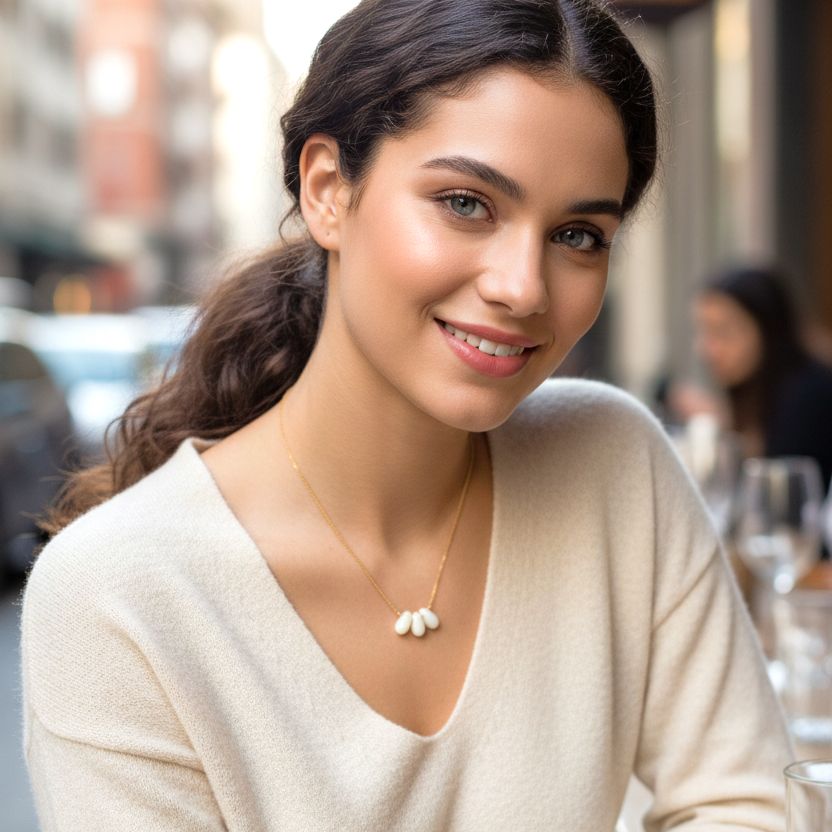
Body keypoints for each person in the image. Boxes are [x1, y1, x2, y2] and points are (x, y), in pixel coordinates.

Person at [20, 2, 792, 829]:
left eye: (578, 234)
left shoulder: (612, 461)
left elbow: (749, 805)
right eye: (466, 203)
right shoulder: (117, 594)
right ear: (327, 190)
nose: (523, 287)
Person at [694, 265, 832, 493]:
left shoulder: (807, 396)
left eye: (723, 332)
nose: (707, 350)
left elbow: (780, 499)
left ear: (768, 331)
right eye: (704, 331)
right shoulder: (757, 390)